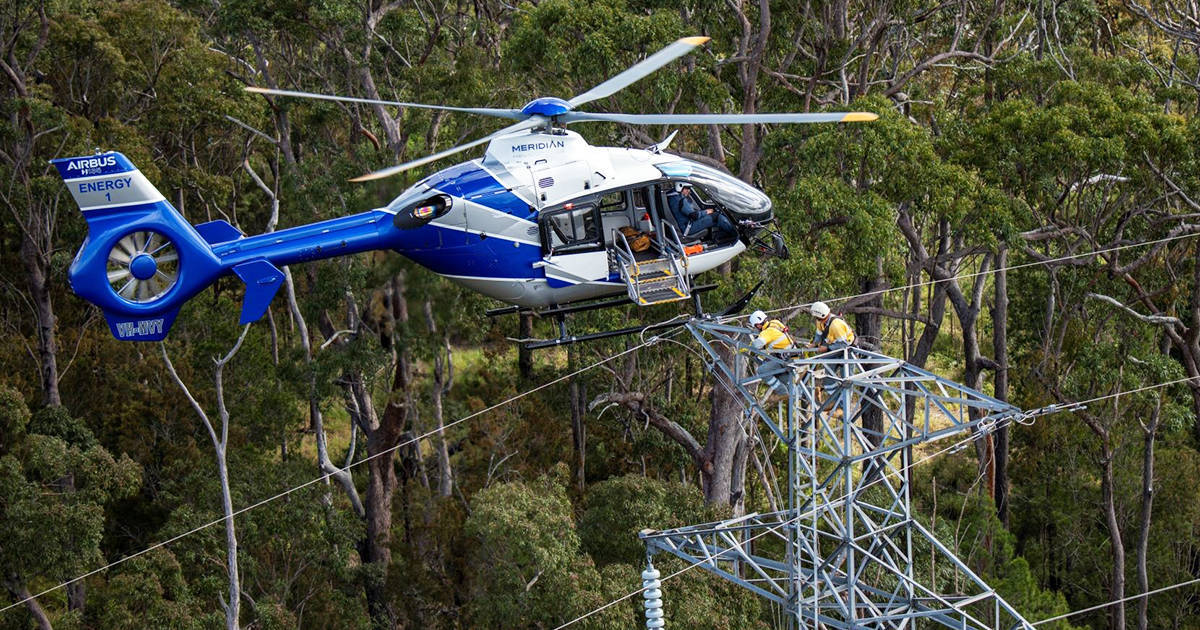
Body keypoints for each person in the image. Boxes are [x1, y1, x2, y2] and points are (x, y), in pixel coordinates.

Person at [667, 185, 737, 242]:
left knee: (715, 219)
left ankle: (722, 238)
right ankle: (736, 235)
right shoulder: (680, 200)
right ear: (680, 186)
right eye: (687, 188)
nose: (689, 191)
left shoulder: (673, 197)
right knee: (717, 217)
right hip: (688, 228)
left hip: (686, 225)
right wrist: (706, 212)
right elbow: (694, 216)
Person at [748, 309, 793, 396]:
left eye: (755, 326)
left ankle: (782, 392)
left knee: (762, 371)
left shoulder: (766, 332)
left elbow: (757, 344)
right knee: (785, 380)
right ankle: (801, 394)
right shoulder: (774, 323)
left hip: (785, 359)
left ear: (758, 325)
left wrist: (748, 346)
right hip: (792, 356)